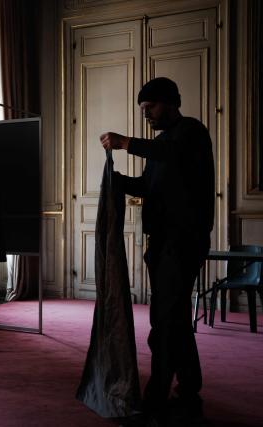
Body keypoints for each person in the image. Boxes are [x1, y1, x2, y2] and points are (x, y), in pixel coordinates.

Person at [100, 77, 214, 426]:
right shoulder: (162, 143)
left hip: (183, 244)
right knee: (174, 318)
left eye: (150, 107)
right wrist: (116, 181)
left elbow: (171, 154)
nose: (146, 114)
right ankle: (190, 387)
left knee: (164, 321)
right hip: (162, 244)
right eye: (143, 110)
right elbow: (148, 187)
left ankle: (156, 397)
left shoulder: (191, 133)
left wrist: (126, 143)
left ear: (169, 102)